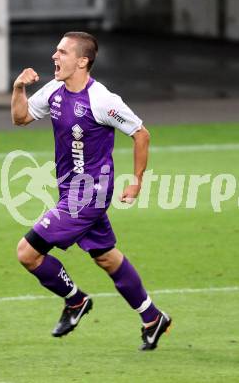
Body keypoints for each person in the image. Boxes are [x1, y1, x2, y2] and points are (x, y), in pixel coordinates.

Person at [11, 31, 171, 351]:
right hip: (70, 190)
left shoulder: (102, 101)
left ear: (82, 61)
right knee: (107, 258)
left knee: (27, 253)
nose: (55, 57)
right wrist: (18, 88)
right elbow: (22, 117)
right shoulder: (55, 90)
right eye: (56, 51)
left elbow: (141, 133)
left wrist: (136, 179)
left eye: (62, 52)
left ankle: (75, 301)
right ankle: (153, 318)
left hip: (89, 196)